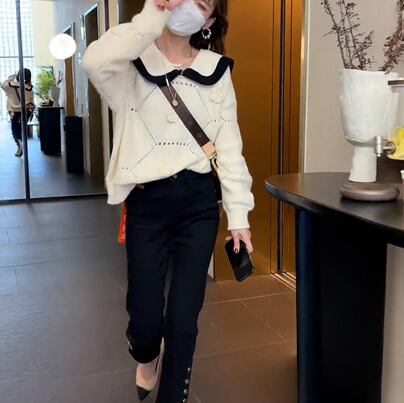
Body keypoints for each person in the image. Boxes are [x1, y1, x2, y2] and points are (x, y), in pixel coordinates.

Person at [81, 0, 255, 401]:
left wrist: (239, 215)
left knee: (183, 318)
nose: (189, 5)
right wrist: (152, 16)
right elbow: (93, 61)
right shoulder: (130, 65)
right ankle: (147, 354)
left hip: (198, 204)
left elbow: (229, 146)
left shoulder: (216, 71)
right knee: (145, 320)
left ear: (209, 20)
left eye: (202, 3)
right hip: (147, 205)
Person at [1, 68, 35, 157]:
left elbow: (3, 85)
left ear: (18, 75)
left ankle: (19, 144)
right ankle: (21, 143)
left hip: (14, 112)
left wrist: (12, 76)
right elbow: (31, 101)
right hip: (26, 112)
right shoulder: (29, 88)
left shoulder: (10, 85)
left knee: (15, 131)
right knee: (22, 129)